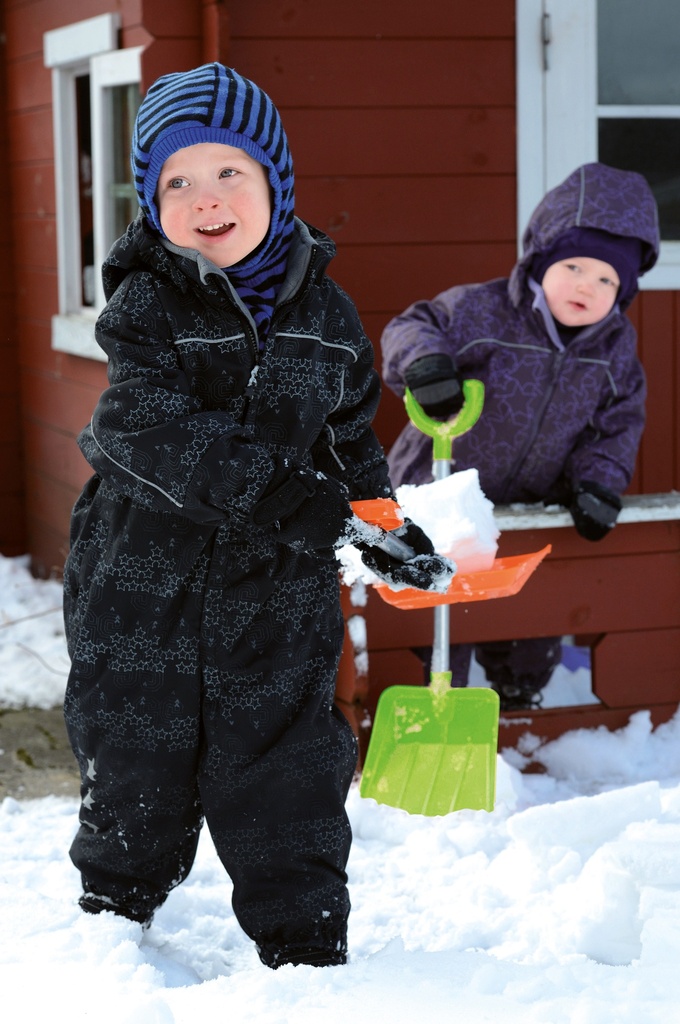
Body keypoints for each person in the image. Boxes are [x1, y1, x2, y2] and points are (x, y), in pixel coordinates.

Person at [62, 62, 451, 969]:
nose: (205, 199)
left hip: (276, 604)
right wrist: (283, 496)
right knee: (134, 770)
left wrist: (380, 527)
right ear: (151, 201)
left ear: (275, 180)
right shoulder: (147, 306)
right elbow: (139, 425)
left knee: (286, 776)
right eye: (176, 182)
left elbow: (351, 443)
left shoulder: (330, 320)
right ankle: (112, 938)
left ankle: (306, 952)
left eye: (228, 172)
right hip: (139, 596)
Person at [381, 162, 660, 710]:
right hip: (436, 495)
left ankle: (520, 708)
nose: (588, 285)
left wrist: (598, 485)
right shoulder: (483, 309)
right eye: (575, 266)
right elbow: (410, 327)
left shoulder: (614, 353)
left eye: (608, 280)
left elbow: (615, 425)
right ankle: (432, 707)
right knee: (434, 623)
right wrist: (427, 366)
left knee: (530, 625)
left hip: (530, 509)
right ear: (540, 261)